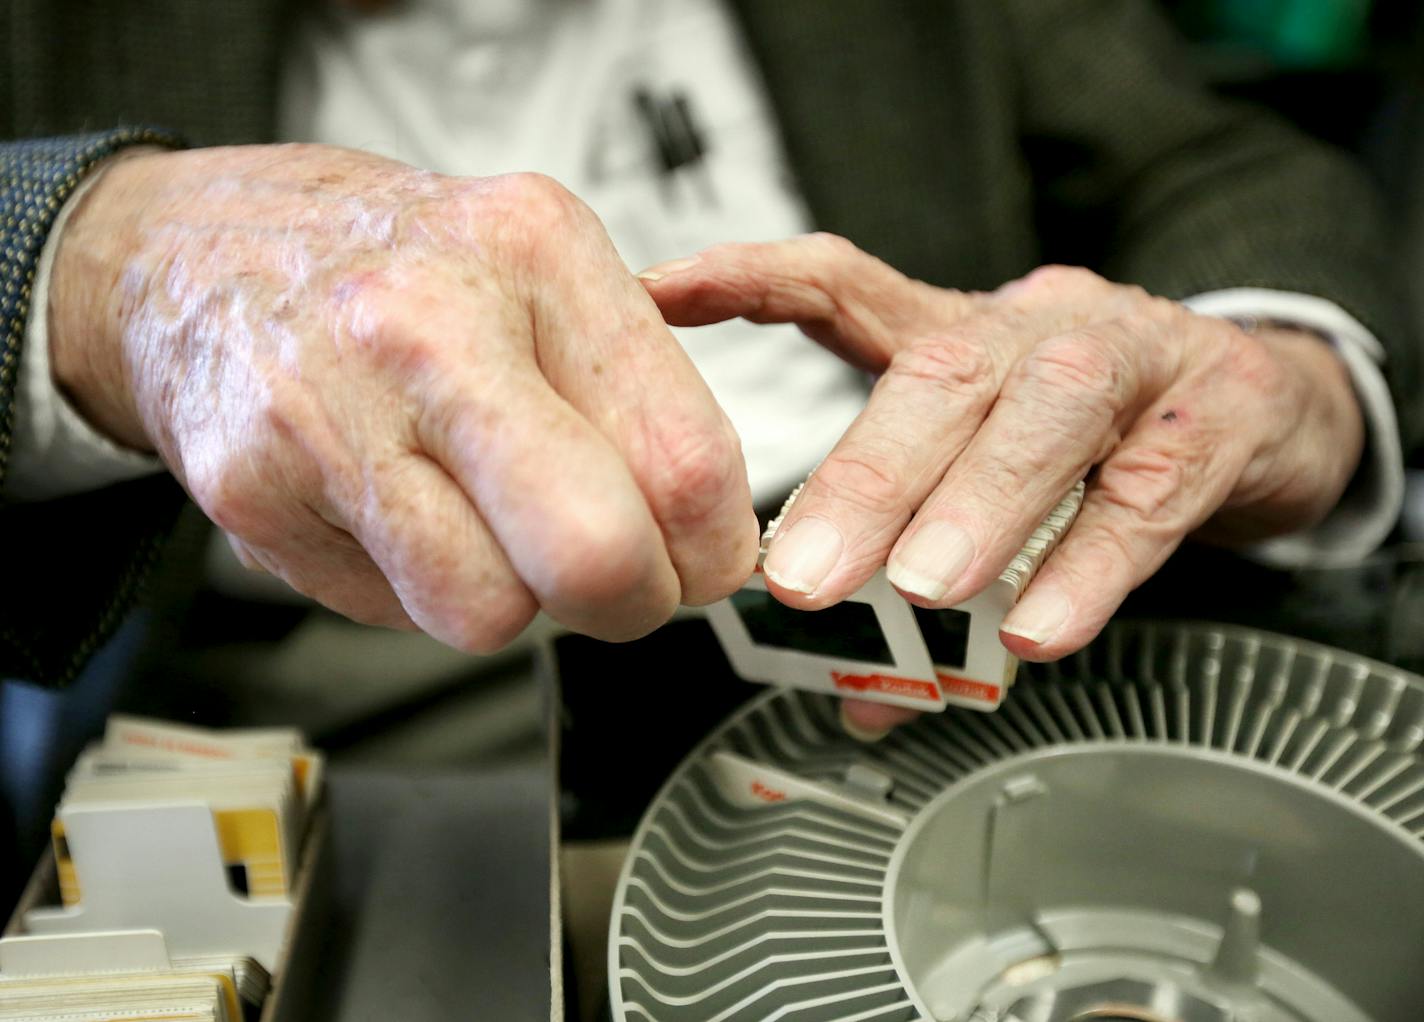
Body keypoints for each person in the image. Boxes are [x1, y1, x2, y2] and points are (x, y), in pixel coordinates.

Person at [0, 1, 1414, 745]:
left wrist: (1279, 364)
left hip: (985, 631)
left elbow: (1210, 156)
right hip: (366, 718)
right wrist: (96, 266)